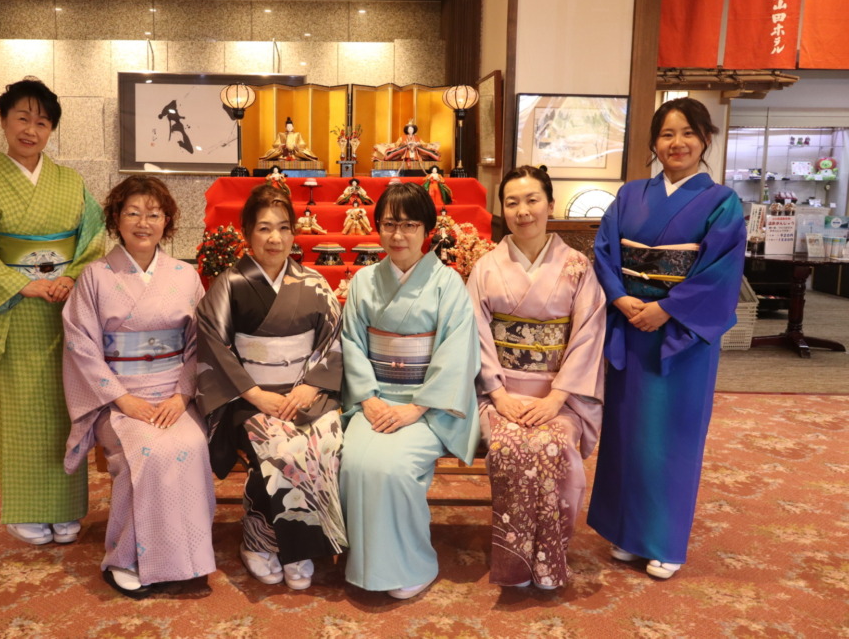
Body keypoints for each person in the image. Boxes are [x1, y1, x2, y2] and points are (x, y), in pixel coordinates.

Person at [586, 98, 747, 580]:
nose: (677, 143)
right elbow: (604, 251)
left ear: (705, 139)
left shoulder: (722, 202)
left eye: (688, 133)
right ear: (654, 143)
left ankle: (664, 541)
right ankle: (625, 532)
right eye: (667, 134)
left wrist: (667, 308)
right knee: (626, 432)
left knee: (673, 436)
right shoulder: (630, 195)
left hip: (682, 335)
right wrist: (620, 297)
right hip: (631, 326)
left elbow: (720, 272)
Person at [0, 77, 104, 546]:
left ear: (51, 129)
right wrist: (23, 284)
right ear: (3, 121)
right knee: (21, 412)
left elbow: (93, 237)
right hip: (14, 313)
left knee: (66, 408)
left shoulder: (70, 182)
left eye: (41, 122)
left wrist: (71, 276)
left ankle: (66, 507)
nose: (31, 130)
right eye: (22, 118)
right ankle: (26, 509)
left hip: (63, 310)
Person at [62, 176, 216, 599]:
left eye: (153, 214)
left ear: (167, 221)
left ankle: (185, 558)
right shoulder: (95, 277)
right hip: (118, 399)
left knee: (190, 445)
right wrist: (122, 399)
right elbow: (80, 345)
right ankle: (124, 559)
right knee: (145, 453)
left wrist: (182, 395)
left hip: (172, 395)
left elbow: (199, 345)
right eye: (132, 213)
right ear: (116, 218)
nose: (143, 222)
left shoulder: (185, 275)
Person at [196, 184, 347, 591]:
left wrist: (312, 385)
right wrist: (255, 394)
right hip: (249, 397)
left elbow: (334, 339)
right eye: (264, 228)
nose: (275, 238)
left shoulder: (313, 282)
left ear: (294, 232)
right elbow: (212, 344)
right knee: (278, 447)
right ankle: (259, 542)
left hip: (306, 395)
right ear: (248, 232)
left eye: (283, 228)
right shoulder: (229, 284)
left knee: (327, 442)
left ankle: (298, 548)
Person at [467, 166, 606, 590]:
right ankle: (514, 560)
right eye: (512, 202)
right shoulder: (485, 267)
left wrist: (556, 398)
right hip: (500, 394)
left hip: (559, 396)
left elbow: (588, 335)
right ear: (502, 210)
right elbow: (475, 334)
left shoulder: (577, 266)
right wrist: (498, 394)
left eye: (532, 200)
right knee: (508, 448)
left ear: (550, 204)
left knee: (554, 446)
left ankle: (548, 556)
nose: (523, 211)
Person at [340, 182, 480, 600]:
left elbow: (457, 351)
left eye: (409, 225)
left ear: (427, 230)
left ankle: (413, 562)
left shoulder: (447, 283)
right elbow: (351, 344)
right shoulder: (364, 281)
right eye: (389, 224)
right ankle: (368, 563)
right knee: (354, 462)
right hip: (374, 400)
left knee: (393, 467)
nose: (398, 235)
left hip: (429, 406)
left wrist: (416, 408)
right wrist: (368, 399)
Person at [374, 122, 441, 163]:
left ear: (414, 130)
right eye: (409, 129)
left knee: (425, 150)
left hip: (416, 150)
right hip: (405, 151)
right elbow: (397, 144)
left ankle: (415, 159)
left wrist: (417, 144)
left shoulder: (417, 137)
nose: (410, 130)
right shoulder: (402, 137)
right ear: (407, 130)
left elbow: (423, 144)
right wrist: (405, 144)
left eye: (412, 129)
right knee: (398, 150)